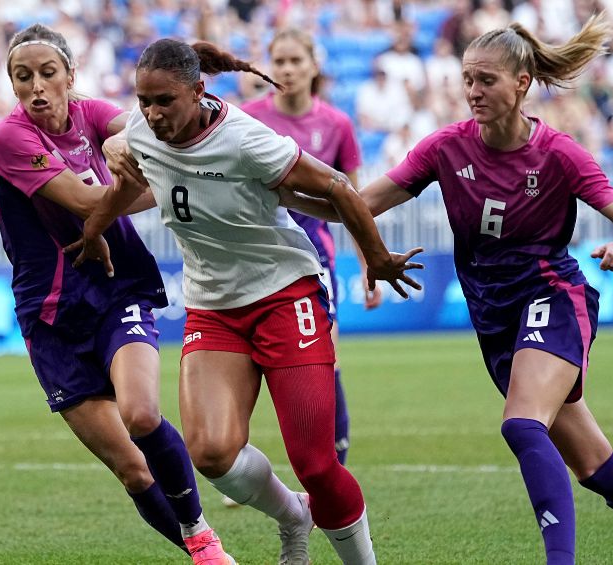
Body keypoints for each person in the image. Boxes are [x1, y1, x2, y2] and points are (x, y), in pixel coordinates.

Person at [281, 13, 613, 565]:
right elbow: (351, 206)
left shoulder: (558, 153)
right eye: (467, 79)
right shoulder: (445, 149)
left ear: (521, 84)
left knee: (522, 423)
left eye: (486, 80)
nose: (473, 92)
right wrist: (271, 189)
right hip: (496, 316)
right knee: (600, 470)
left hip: (553, 298)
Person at [66, 38, 423, 565]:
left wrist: (378, 257)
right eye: (144, 100)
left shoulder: (246, 140)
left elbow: (340, 187)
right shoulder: (142, 131)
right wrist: (96, 226)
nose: (151, 113)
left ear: (198, 91)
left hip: (285, 294)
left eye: (164, 101)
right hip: (213, 307)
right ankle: (293, 516)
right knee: (210, 453)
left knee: (317, 465)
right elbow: (129, 181)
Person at [0, 24, 234, 565]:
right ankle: (207, 557)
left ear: (70, 77)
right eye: (22, 77)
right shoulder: (9, 138)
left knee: (142, 415)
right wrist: (144, 174)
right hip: (51, 316)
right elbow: (82, 200)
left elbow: (139, 129)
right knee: (132, 469)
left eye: (48, 74)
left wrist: (128, 139)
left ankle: (199, 534)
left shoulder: (90, 114)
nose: (36, 88)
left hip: (116, 288)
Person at [241, 28, 381, 469]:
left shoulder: (336, 124)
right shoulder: (246, 118)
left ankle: (331, 473)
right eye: (278, 61)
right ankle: (238, 468)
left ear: (313, 66)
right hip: (253, 256)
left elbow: (357, 202)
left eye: (294, 61)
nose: (285, 69)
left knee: (325, 360)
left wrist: (369, 265)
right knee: (246, 366)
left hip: (311, 261)